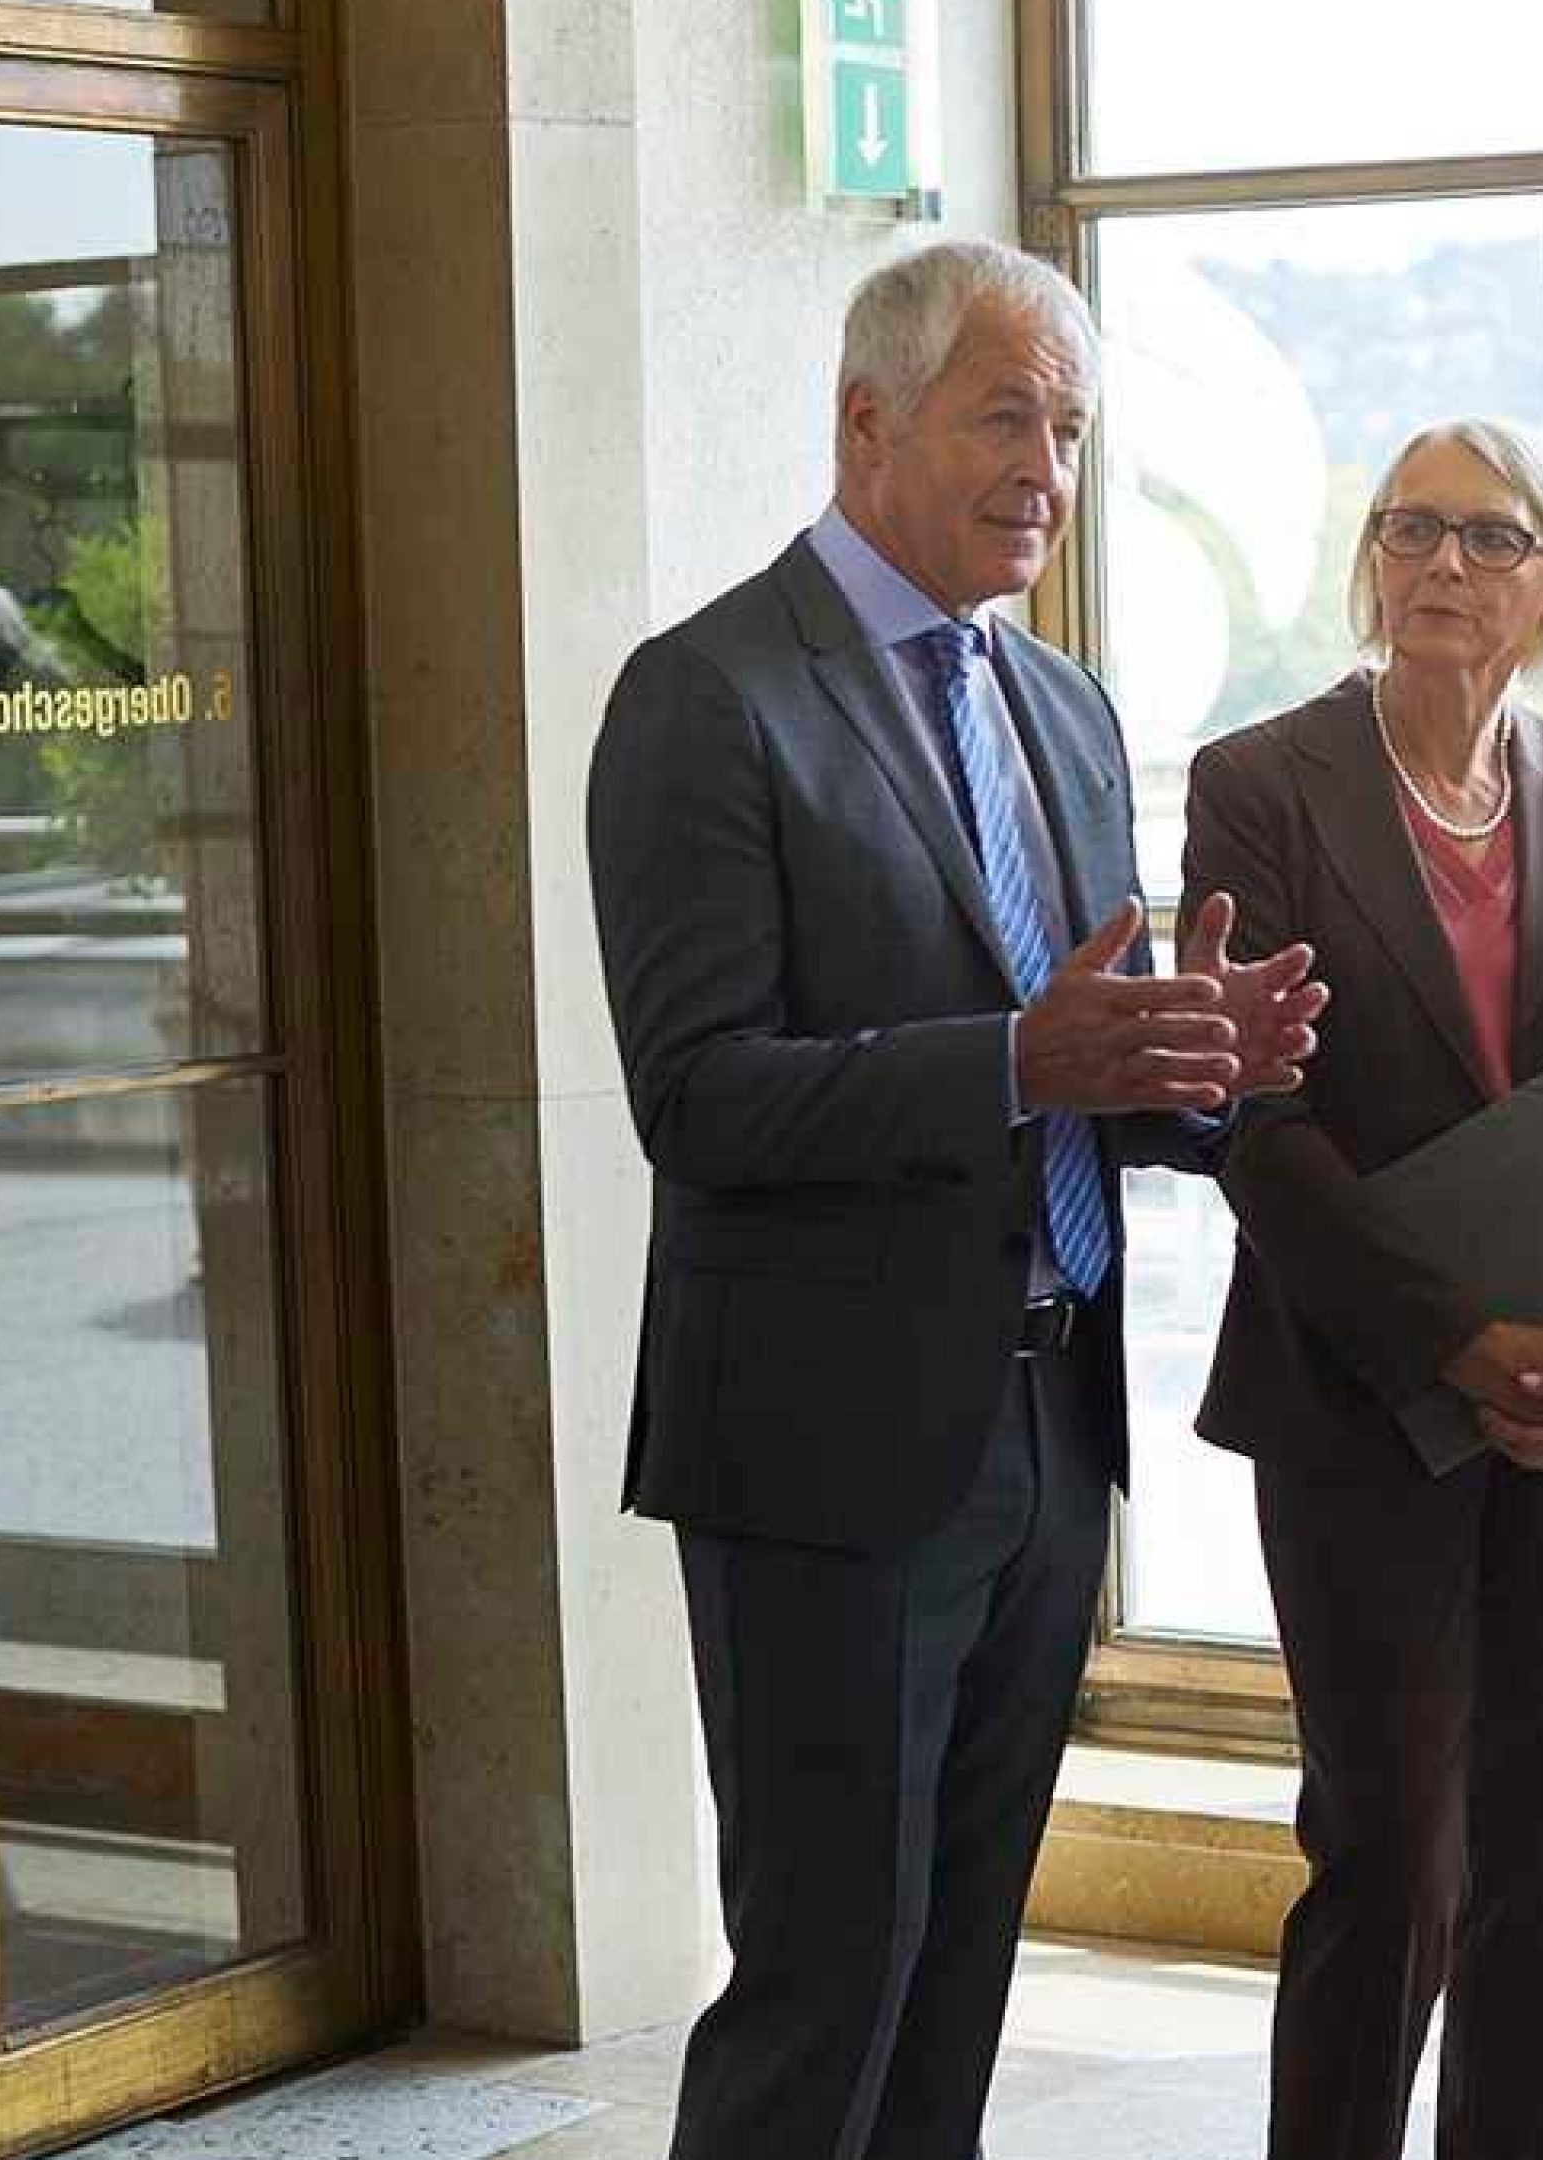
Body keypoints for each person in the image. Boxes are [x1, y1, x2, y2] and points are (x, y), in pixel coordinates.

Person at [586, 239, 1326, 2160]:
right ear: (866, 423)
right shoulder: (706, 698)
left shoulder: (1066, 708)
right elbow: (697, 1098)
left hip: (1049, 1427)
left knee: (963, 1973)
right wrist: (1022, 1059)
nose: (1049, 471)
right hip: (829, 1460)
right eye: (1009, 417)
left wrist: (1194, 1069)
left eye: (1071, 431)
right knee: (829, 1979)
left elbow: (1089, 1067)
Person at [1178, 418, 1543, 2160]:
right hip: (1357, 1392)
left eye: (1488, 538)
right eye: (1412, 529)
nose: (1441, 566)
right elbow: (1254, 1117)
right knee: (1394, 1844)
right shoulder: (1262, 780)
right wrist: (1449, 1337)